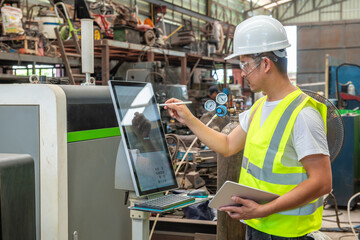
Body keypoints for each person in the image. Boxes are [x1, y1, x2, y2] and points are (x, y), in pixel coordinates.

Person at [165, 15, 331, 239]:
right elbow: (227, 145)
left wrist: (264, 210)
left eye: (244, 64)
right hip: (257, 226)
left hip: (288, 234)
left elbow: (321, 182)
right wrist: (189, 119)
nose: (242, 73)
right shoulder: (260, 107)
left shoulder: (303, 114)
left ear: (265, 64)